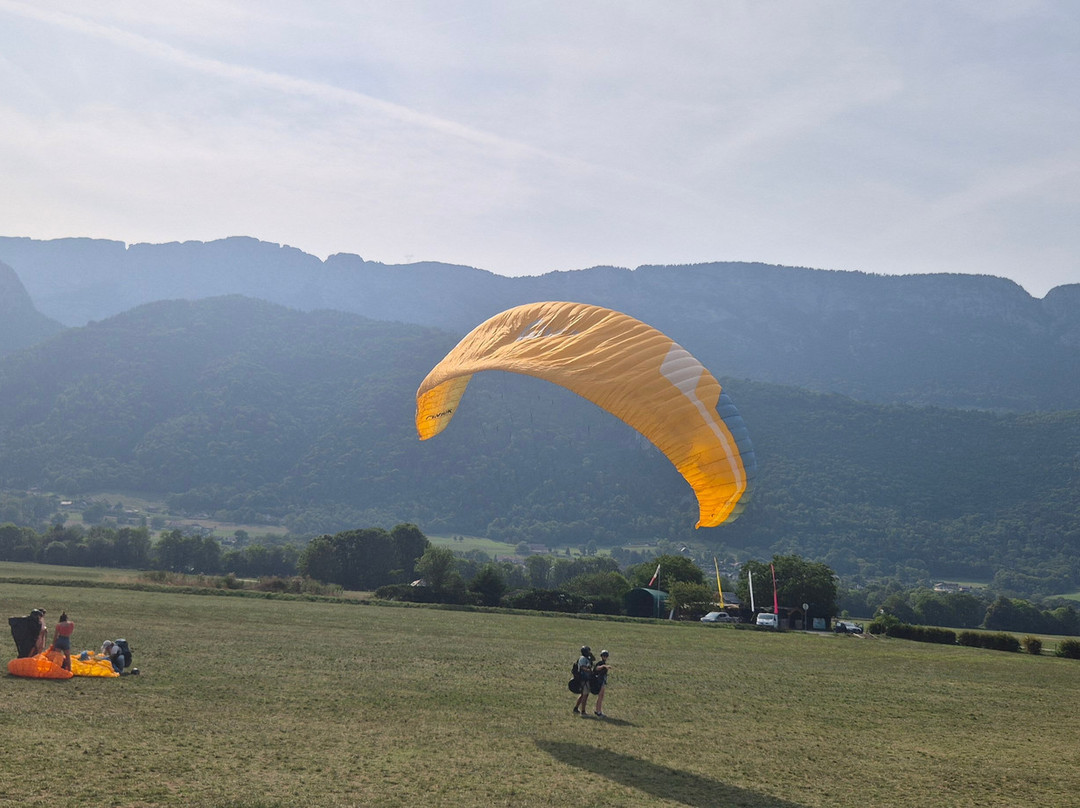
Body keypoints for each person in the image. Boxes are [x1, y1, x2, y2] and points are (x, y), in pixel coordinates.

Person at [572, 645, 595, 716]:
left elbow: (593, 659)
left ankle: (576, 708)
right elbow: (582, 667)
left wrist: (591, 656)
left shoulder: (587, 658)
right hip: (583, 679)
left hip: (586, 678)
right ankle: (583, 711)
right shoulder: (582, 659)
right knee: (585, 695)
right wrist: (589, 671)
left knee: (582, 695)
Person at [593, 650, 612, 717]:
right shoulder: (600, 663)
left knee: (601, 696)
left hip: (603, 681)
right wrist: (604, 666)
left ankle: (599, 710)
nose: (605, 657)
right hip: (599, 681)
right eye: (604, 656)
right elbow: (597, 668)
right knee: (600, 696)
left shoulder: (603, 663)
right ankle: (598, 711)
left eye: (606, 656)